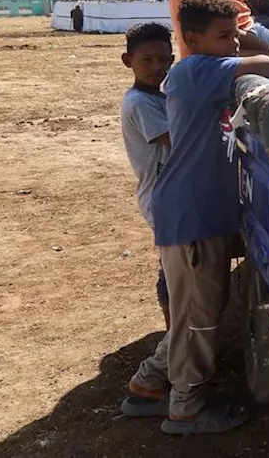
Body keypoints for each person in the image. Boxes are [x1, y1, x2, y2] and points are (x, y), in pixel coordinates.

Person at [121, 0, 269, 434]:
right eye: (224, 35)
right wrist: (251, 42)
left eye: (234, 35)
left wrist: (236, 38)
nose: (232, 43)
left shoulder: (198, 67)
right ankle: (185, 408)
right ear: (191, 38)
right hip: (190, 213)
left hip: (197, 209)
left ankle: (150, 383)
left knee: (199, 308)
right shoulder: (196, 70)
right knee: (199, 316)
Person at [119, 22, 175, 330]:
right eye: (147, 60)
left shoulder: (160, 96)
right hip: (161, 198)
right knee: (170, 267)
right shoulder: (140, 102)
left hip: (169, 194)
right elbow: (176, 140)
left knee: (176, 262)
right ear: (128, 61)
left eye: (164, 60)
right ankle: (171, 331)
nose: (157, 67)